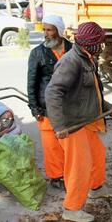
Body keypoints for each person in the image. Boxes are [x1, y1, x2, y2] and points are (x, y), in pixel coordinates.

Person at [45, 22, 112, 222]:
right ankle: (71, 208)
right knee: (79, 166)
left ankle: (96, 188)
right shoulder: (71, 62)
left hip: (86, 119)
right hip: (72, 124)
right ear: (91, 44)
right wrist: (60, 126)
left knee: (98, 155)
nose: (101, 45)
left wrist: (108, 107)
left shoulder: (88, 58)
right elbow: (52, 92)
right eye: (99, 42)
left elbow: (92, 92)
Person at [27, 15, 72, 189]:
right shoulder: (37, 52)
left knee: (70, 143)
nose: (46, 34)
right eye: (44, 30)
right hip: (46, 106)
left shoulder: (72, 49)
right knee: (51, 145)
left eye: (50, 30)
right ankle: (56, 177)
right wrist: (34, 108)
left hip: (70, 105)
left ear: (59, 31)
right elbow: (32, 82)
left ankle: (71, 173)